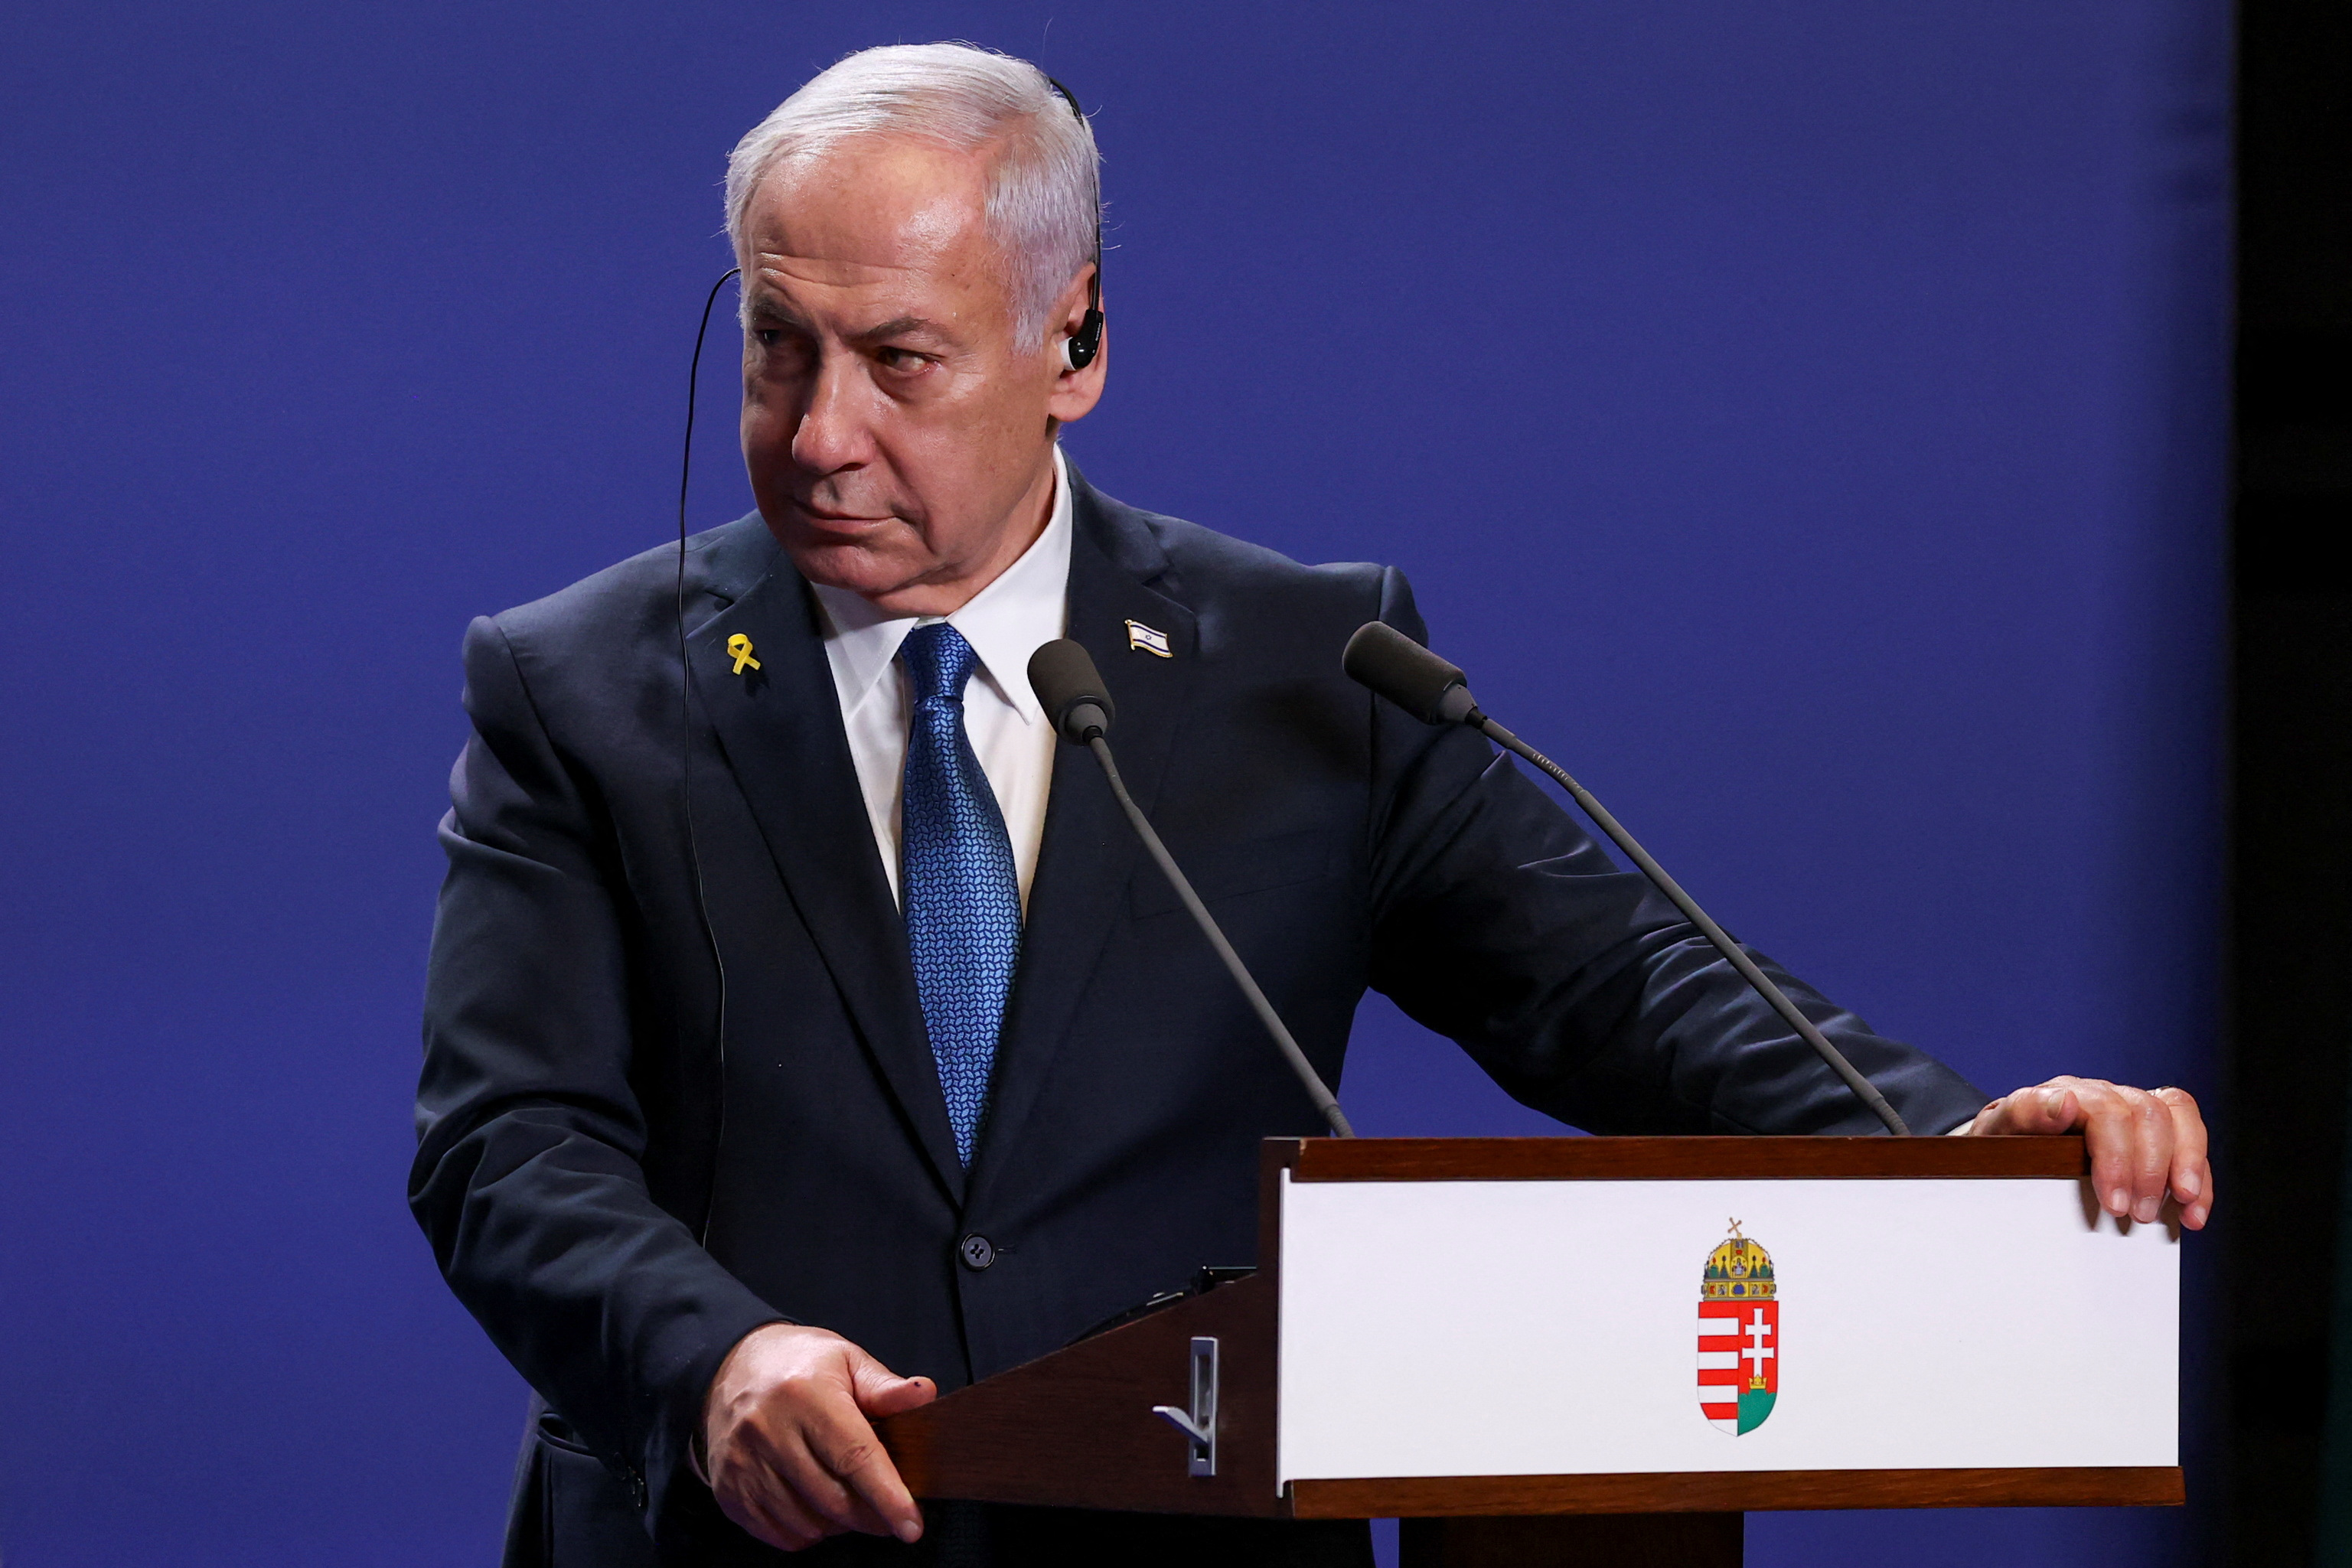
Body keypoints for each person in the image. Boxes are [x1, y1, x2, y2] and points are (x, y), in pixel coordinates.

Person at [410, 41, 2213, 1568]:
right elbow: (506, 1143)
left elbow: (1626, 989)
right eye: (776, 347)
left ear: (1073, 339)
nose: (817, 432)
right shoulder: (576, 688)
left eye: (898, 359)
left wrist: (1950, 1146)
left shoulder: (1309, 669)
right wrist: (717, 1360)